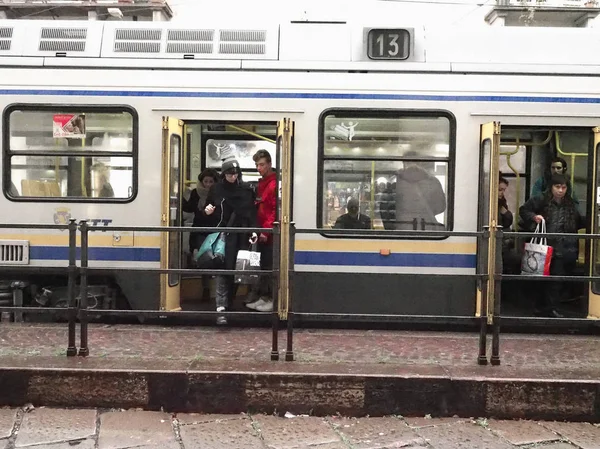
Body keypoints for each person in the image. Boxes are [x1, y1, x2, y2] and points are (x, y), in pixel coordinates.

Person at [519, 173, 585, 318]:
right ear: (551, 187)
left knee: (556, 280)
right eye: (557, 187)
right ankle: (541, 306)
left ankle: (550, 308)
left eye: (563, 187)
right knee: (542, 279)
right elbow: (524, 210)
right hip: (545, 246)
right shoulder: (540, 199)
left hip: (562, 247)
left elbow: (579, 221)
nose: (560, 190)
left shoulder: (570, 205)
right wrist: (534, 217)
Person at [204, 159, 257, 325]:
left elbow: (251, 213)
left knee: (236, 270)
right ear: (223, 174)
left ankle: (228, 304)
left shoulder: (246, 190)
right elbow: (208, 208)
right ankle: (221, 307)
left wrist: (253, 230)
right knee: (222, 269)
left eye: (234, 173)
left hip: (240, 234)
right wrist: (208, 210)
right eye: (229, 174)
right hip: (223, 234)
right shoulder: (217, 189)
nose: (232, 176)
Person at [246, 150, 277, 313]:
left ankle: (271, 298)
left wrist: (266, 231)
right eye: (257, 165)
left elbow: (274, 210)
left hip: (268, 233)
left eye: (262, 164)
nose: (259, 168)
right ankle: (265, 297)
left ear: (270, 164)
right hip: (262, 230)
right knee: (263, 266)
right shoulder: (264, 183)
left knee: (269, 266)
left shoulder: (273, 184)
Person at [182, 168, 220, 302]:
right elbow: (189, 208)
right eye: (206, 182)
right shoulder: (195, 193)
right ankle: (206, 288)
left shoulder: (218, 194)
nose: (208, 184)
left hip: (214, 231)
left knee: (215, 260)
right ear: (201, 182)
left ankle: (217, 290)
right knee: (204, 259)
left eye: (211, 181)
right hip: (200, 230)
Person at [394, 153, 446, 230]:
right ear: (420, 163)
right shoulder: (433, 181)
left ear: (404, 162)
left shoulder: (397, 182)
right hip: (426, 225)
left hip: (403, 225)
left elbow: (388, 206)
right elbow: (440, 207)